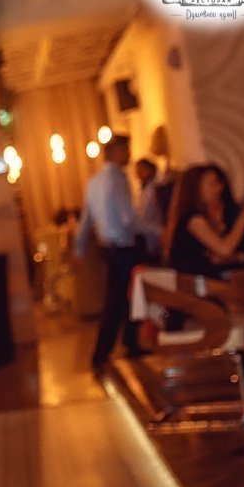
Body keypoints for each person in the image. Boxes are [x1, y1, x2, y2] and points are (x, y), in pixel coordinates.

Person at [75, 134, 145, 369]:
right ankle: (107, 350)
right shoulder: (118, 179)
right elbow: (128, 218)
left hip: (107, 248)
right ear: (116, 152)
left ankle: (124, 343)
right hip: (123, 246)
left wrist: (79, 249)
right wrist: (155, 230)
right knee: (122, 298)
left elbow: (86, 220)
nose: (129, 155)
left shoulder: (93, 182)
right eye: (126, 150)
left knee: (119, 298)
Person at [163, 164, 244, 279]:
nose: (218, 189)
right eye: (211, 184)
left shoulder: (228, 213)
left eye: (219, 183)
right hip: (199, 282)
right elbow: (225, 250)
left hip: (230, 275)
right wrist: (242, 221)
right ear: (196, 188)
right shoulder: (193, 220)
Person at [134, 158, 165, 260]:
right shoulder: (143, 190)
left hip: (155, 233)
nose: (138, 174)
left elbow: (145, 215)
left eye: (141, 170)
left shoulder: (152, 190)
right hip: (150, 233)